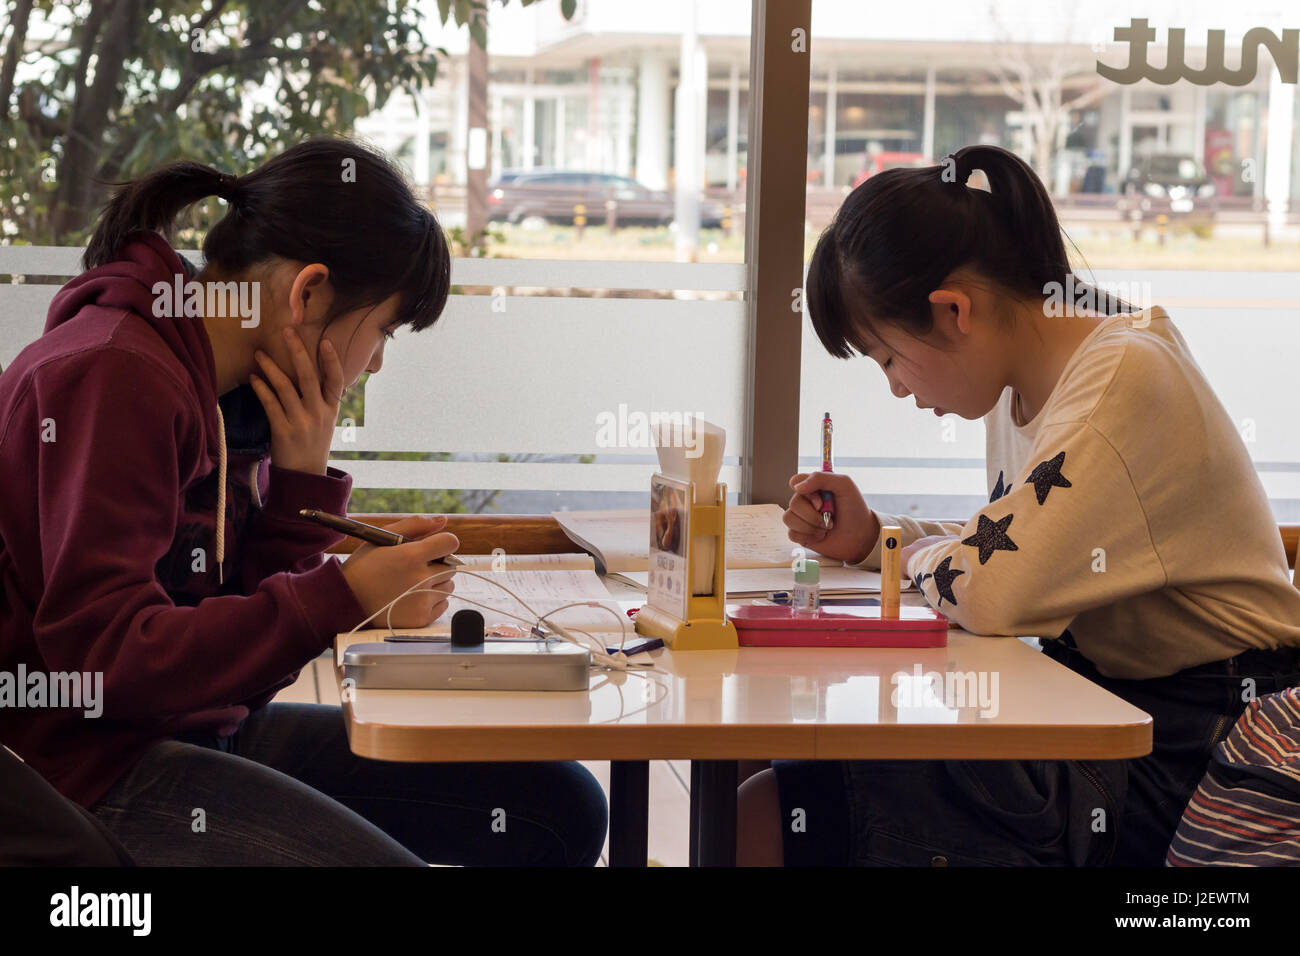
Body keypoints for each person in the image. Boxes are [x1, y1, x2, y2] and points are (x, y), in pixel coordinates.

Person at [0, 137, 607, 866]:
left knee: (557, 807)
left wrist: (297, 493)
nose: (376, 360)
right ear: (309, 291)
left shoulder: (224, 398)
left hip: (179, 730)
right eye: (383, 328)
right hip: (76, 770)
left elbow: (231, 682)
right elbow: (108, 661)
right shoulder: (116, 376)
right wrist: (338, 594)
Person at [736, 143, 1300, 867]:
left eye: (886, 358)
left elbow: (994, 586)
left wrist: (905, 554)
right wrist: (876, 540)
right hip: (1112, 711)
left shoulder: (1120, 381)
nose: (897, 390)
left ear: (953, 311)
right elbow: (1002, 546)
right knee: (766, 779)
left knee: (769, 812)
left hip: (1201, 756)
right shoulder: (1034, 378)